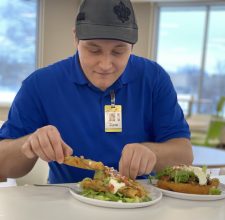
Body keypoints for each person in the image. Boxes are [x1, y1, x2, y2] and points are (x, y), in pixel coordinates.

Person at [0, 0, 193, 184]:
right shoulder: (39, 85)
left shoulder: (154, 79)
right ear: (76, 38)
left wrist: (152, 153)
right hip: (64, 200)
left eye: (118, 52)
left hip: (141, 198)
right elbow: (3, 164)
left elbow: (184, 154)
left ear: (132, 46)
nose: (105, 65)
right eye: (94, 50)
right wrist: (30, 144)